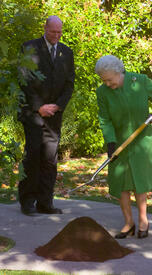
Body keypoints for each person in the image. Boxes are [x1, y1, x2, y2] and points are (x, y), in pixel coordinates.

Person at [95, 55, 152, 239]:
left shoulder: (140, 81)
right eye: (104, 81)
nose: (108, 84)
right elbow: (105, 120)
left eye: (110, 80)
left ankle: (143, 220)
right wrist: (110, 142)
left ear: (119, 73)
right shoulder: (103, 92)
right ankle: (129, 222)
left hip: (140, 140)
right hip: (119, 143)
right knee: (121, 184)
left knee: (139, 182)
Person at [18, 16, 75, 215]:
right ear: (45, 28)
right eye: (53, 32)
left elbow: (69, 84)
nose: (56, 36)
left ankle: (45, 202)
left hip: (54, 116)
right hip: (33, 114)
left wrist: (57, 106)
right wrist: (39, 106)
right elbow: (24, 81)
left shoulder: (67, 52)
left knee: (50, 159)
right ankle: (27, 202)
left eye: (59, 32)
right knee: (32, 155)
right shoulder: (29, 48)